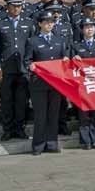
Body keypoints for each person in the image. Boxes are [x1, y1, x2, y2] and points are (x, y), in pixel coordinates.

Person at [0, 0, 34, 142]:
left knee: (22, 101)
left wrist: (30, 65)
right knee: (6, 101)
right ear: (7, 7)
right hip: (6, 68)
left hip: (23, 68)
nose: (16, 8)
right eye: (13, 6)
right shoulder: (0, 23)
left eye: (19, 6)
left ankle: (19, 128)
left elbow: (32, 45)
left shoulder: (28, 22)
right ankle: (8, 129)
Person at [28, 11, 68, 155]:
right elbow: (27, 60)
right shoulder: (32, 41)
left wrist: (66, 60)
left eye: (51, 22)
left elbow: (64, 57)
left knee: (53, 114)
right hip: (39, 84)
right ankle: (38, 145)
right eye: (46, 22)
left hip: (55, 83)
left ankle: (52, 143)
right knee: (40, 115)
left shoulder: (59, 40)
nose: (49, 24)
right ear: (40, 24)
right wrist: (31, 66)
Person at [73, 20, 95, 149]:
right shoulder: (76, 46)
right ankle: (85, 141)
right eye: (86, 27)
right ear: (82, 30)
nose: (89, 29)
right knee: (83, 114)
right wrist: (73, 59)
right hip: (82, 85)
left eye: (91, 27)